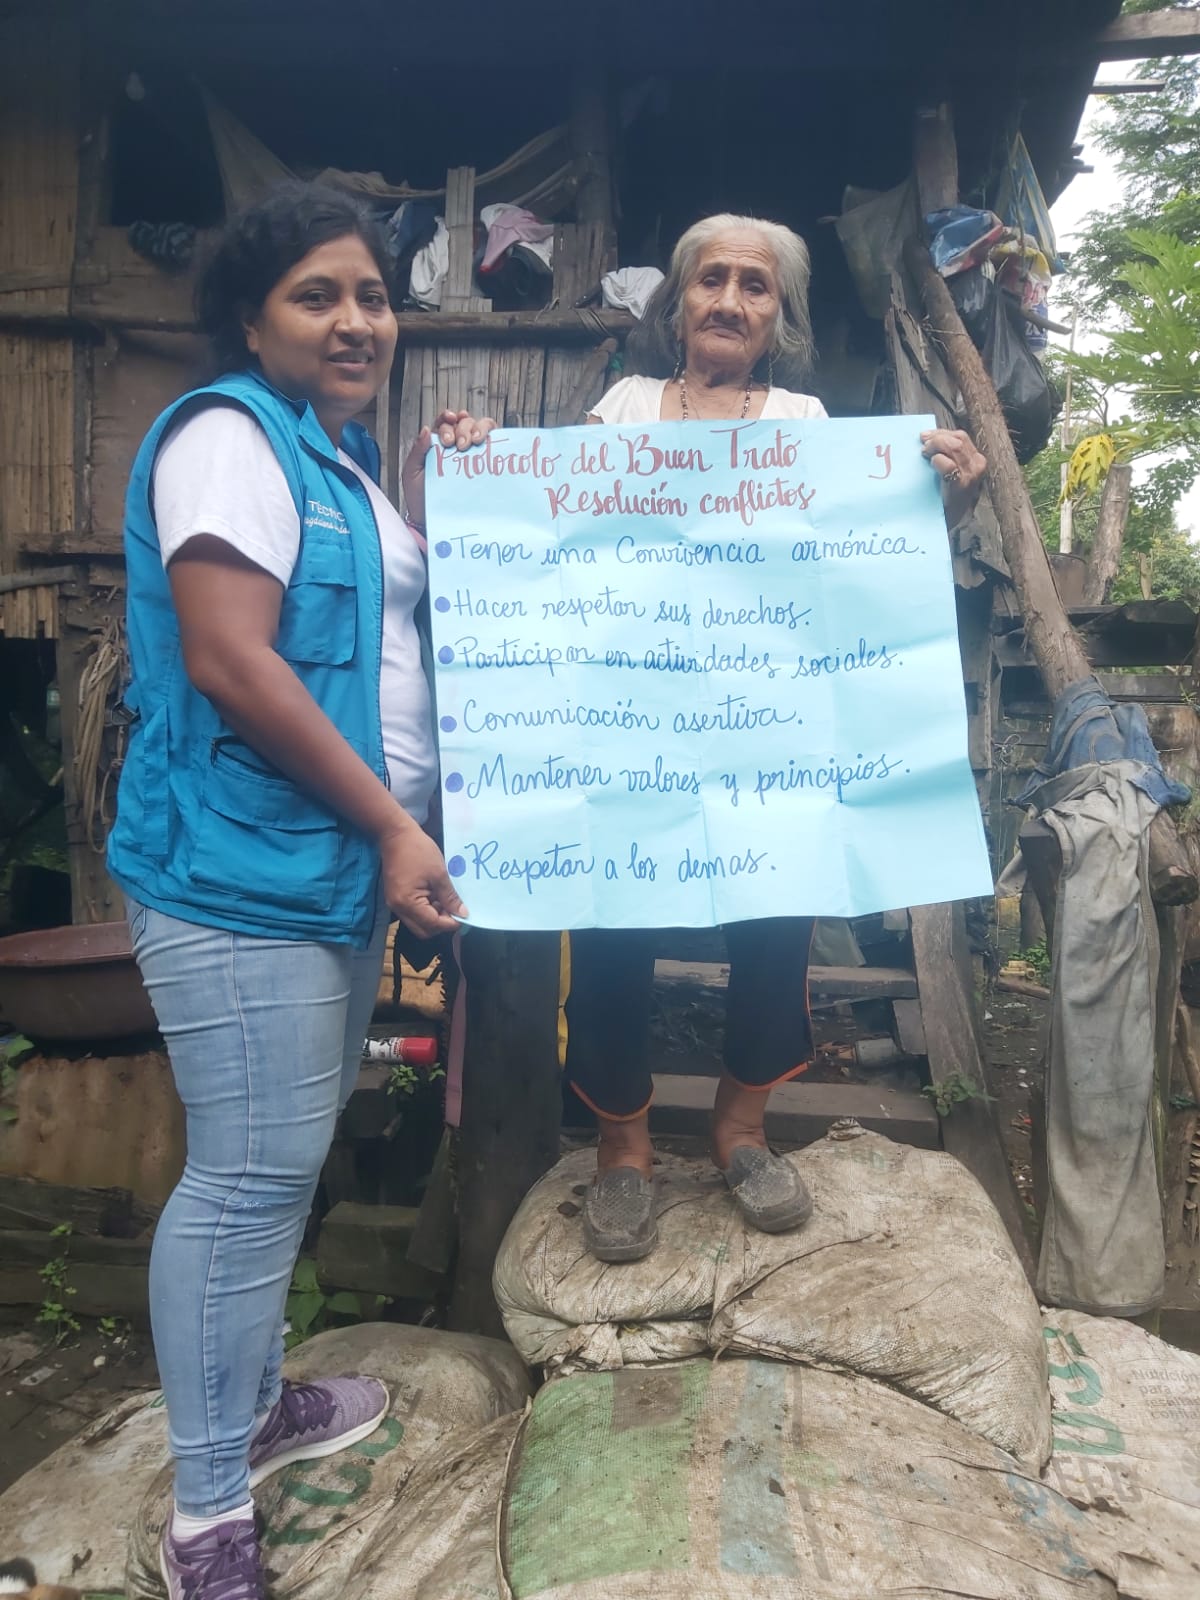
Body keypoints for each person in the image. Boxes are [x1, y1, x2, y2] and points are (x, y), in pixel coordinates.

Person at [106, 181, 495, 1600]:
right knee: (244, 1177)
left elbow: (372, 637)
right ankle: (209, 1513)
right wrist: (395, 826)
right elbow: (231, 659)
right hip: (240, 875)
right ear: (251, 318)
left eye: (374, 297)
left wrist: (441, 494)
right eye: (317, 295)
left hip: (312, 873)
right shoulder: (227, 438)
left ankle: (256, 1405)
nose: (355, 321)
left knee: (278, 1162)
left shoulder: (337, 462)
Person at [566, 212, 986, 1263]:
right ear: (677, 301)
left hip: (766, 735)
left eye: (755, 286)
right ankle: (623, 1150)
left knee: (772, 929)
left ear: (779, 316)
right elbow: (555, 542)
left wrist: (941, 497)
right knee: (613, 932)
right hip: (636, 728)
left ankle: (740, 1132)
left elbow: (862, 562)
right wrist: (474, 465)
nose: (729, 300)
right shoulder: (621, 411)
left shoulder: (806, 423)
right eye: (711, 278)